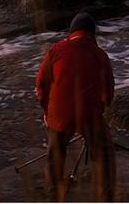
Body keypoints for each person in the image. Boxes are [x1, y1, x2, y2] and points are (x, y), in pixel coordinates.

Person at [35, 11, 116, 201]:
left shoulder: (56, 50)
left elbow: (41, 83)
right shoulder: (100, 55)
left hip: (59, 113)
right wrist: (101, 109)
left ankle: (53, 195)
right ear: (92, 34)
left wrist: (46, 111)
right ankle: (107, 198)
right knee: (105, 154)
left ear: (71, 32)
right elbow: (108, 92)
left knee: (55, 152)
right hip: (89, 114)